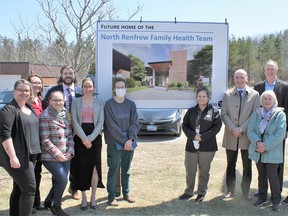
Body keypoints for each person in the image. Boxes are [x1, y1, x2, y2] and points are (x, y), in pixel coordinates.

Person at [0, 79, 41, 216]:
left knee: (19, 188)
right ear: (14, 91)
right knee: (29, 189)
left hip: (32, 155)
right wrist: (12, 157)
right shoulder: (9, 109)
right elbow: (5, 135)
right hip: (19, 156)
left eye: (27, 90)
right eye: (21, 90)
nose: (24, 93)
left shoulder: (28, 108)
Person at [221, 69, 260, 200]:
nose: (239, 80)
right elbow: (224, 114)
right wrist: (233, 128)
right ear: (234, 79)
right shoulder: (227, 95)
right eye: (237, 77)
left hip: (247, 136)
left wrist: (241, 129)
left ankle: (245, 192)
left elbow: (255, 114)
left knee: (247, 165)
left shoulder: (255, 95)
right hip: (231, 135)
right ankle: (230, 191)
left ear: (247, 78)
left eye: (242, 77)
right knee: (230, 164)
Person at [253, 59, 288, 204]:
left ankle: (277, 190)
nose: (270, 71)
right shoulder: (258, 86)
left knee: (277, 161)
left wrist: (286, 129)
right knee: (261, 161)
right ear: (264, 70)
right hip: (261, 132)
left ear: (277, 70)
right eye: (267, 68)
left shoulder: (285, 87)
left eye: (272, 68)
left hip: (277, 132)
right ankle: (262, 192)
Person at [45, 65, 82, 200]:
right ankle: (57, 191)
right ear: (61, 75)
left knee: (75, 161)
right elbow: (46, 108)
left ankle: (74, 188)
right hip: (58, 130)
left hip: (77, 130)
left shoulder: (80, 90)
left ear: (74, 75)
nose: (68, 75)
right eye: (65, 73)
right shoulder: (54, 91)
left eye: (70, 73)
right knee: (58, 163)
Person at [179, 87, 222, 203]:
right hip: (191, 145)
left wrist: (203, 137)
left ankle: (201, 192)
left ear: (208, 98)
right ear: (196, 98)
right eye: (199, 96)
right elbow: (185, 126)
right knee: (190, 170)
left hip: (207, 146)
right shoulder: (190, 111)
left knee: (204, 170)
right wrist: (193, 135)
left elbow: (217, 127)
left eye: (204, 96)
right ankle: (188, 191)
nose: (201, 98)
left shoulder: (214, 111)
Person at [247, 90, 286, 211]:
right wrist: (258, 143)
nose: (267, 101)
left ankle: (276, 200)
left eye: (270, 99)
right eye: (265, 99)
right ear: (261, 101)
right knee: (261, 175)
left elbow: (280, 134)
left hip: (272, 151)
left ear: (274, 101)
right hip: (258, 150)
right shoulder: (257, 113)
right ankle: (262, 197)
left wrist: (265, 146)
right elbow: (250, 130)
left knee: (273, 176)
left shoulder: (280, 114)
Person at [104, 78, 139, 206]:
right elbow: (111, 125)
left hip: (130, 142)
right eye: (117, 87)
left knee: (126, 169)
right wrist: (125, 141)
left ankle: (126, 193)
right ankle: (111, 196)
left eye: (122, 87)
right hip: (114, 142)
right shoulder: (109, 104)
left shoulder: (131, 104)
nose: (120, 89)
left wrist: (130, 139)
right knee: (113, 169)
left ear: (126, 88)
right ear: (114, 89)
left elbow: (134, 123)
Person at [71, 78, 105, 210]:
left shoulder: (100, 102)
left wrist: (90, 139)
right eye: (85, 86)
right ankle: (84, 197)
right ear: (82, 88)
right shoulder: (75, 102)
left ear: (93, 88)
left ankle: (93, 197)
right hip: (80, 137)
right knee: (82, 168)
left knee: (95, 169)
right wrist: (84, 138)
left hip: (95, 137)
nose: (88, 88)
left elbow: (100, 122)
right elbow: (74, 121)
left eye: (90, 86)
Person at [40, 91, 74, 216]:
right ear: (49, 101)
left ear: (64, 100)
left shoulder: (66, 114)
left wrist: (70, 152)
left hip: (66, 155)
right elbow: (44, 139)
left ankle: (48, 201)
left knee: (60, 181)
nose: (58, 102)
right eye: (55, 100)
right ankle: (56, 206)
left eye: (60, 100)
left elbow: (70, 135)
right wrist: (58, 154)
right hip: (50, 157)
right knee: (62, 180)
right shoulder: (45, 116)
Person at [27, 74, 46, 212]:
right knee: (28, 175)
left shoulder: (42, 101)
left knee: (37, 173)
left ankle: (36, 202)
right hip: (28, 144)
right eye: (34, 82)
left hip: (40, 144)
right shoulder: (24, 102)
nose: (37, 85)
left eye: (39, 83)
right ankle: (28, 204)